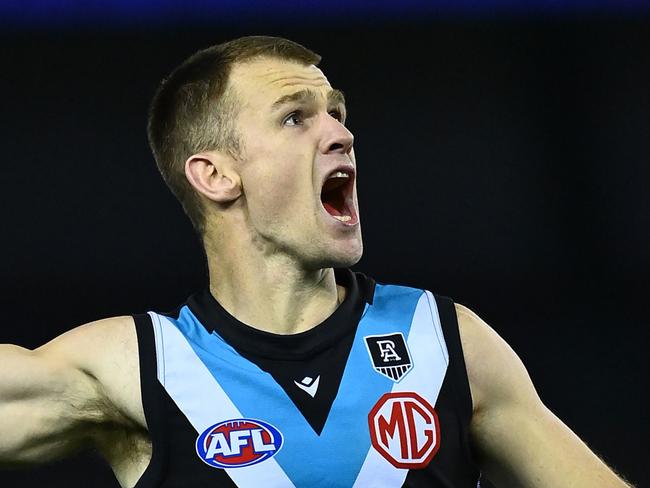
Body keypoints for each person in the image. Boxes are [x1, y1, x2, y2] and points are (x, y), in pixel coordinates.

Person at [0, 36, 632, 488]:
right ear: (217, 174)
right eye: (296, 117)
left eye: (337, 113)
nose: (340, 132)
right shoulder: (135, 366)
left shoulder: (445, 342)